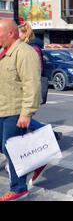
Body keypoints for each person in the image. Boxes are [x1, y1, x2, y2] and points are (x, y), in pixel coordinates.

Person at [0, 19, 41, 201]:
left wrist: (26, 113)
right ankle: (38, 158)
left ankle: (18, 188)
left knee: (12, 150)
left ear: (10, 33)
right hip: (2, 108)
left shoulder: (25, 53)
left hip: (14, 110)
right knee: (4, 147)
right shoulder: (4, 53)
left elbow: (31, 84)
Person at [18, 22, 63, 142]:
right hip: (22, 89)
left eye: (19, 33)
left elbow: (36, 70)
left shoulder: (33, 48)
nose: (17, 36)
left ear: (25, 33)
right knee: (21, 120)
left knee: (23, 119)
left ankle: (50, 136)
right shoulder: (24, 47)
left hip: (28, 89)